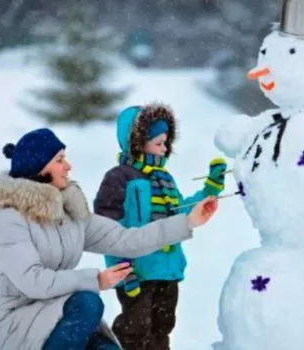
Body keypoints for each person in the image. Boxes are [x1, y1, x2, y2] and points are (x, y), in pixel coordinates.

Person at [0, 128, 219, 350]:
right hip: (18, 319)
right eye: (59, 160)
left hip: (59, 313)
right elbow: (33, 281)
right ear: (38, 169)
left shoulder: (70, 214)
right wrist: (96, 280)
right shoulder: (12, 219)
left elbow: (126, 240)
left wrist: (187, 222)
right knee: (88, 302)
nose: (68, 166)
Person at [93, 103, 227, 350]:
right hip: (137, 272)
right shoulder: (119, 178)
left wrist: (210, 189)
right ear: (137, 142)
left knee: (162, 328)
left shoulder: (165, 179)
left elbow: (179, 213)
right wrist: (124, 270)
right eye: (158, 143)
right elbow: (106, 231)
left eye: (166, 143)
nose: (165, 149)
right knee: (135, 329)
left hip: (167, 271)